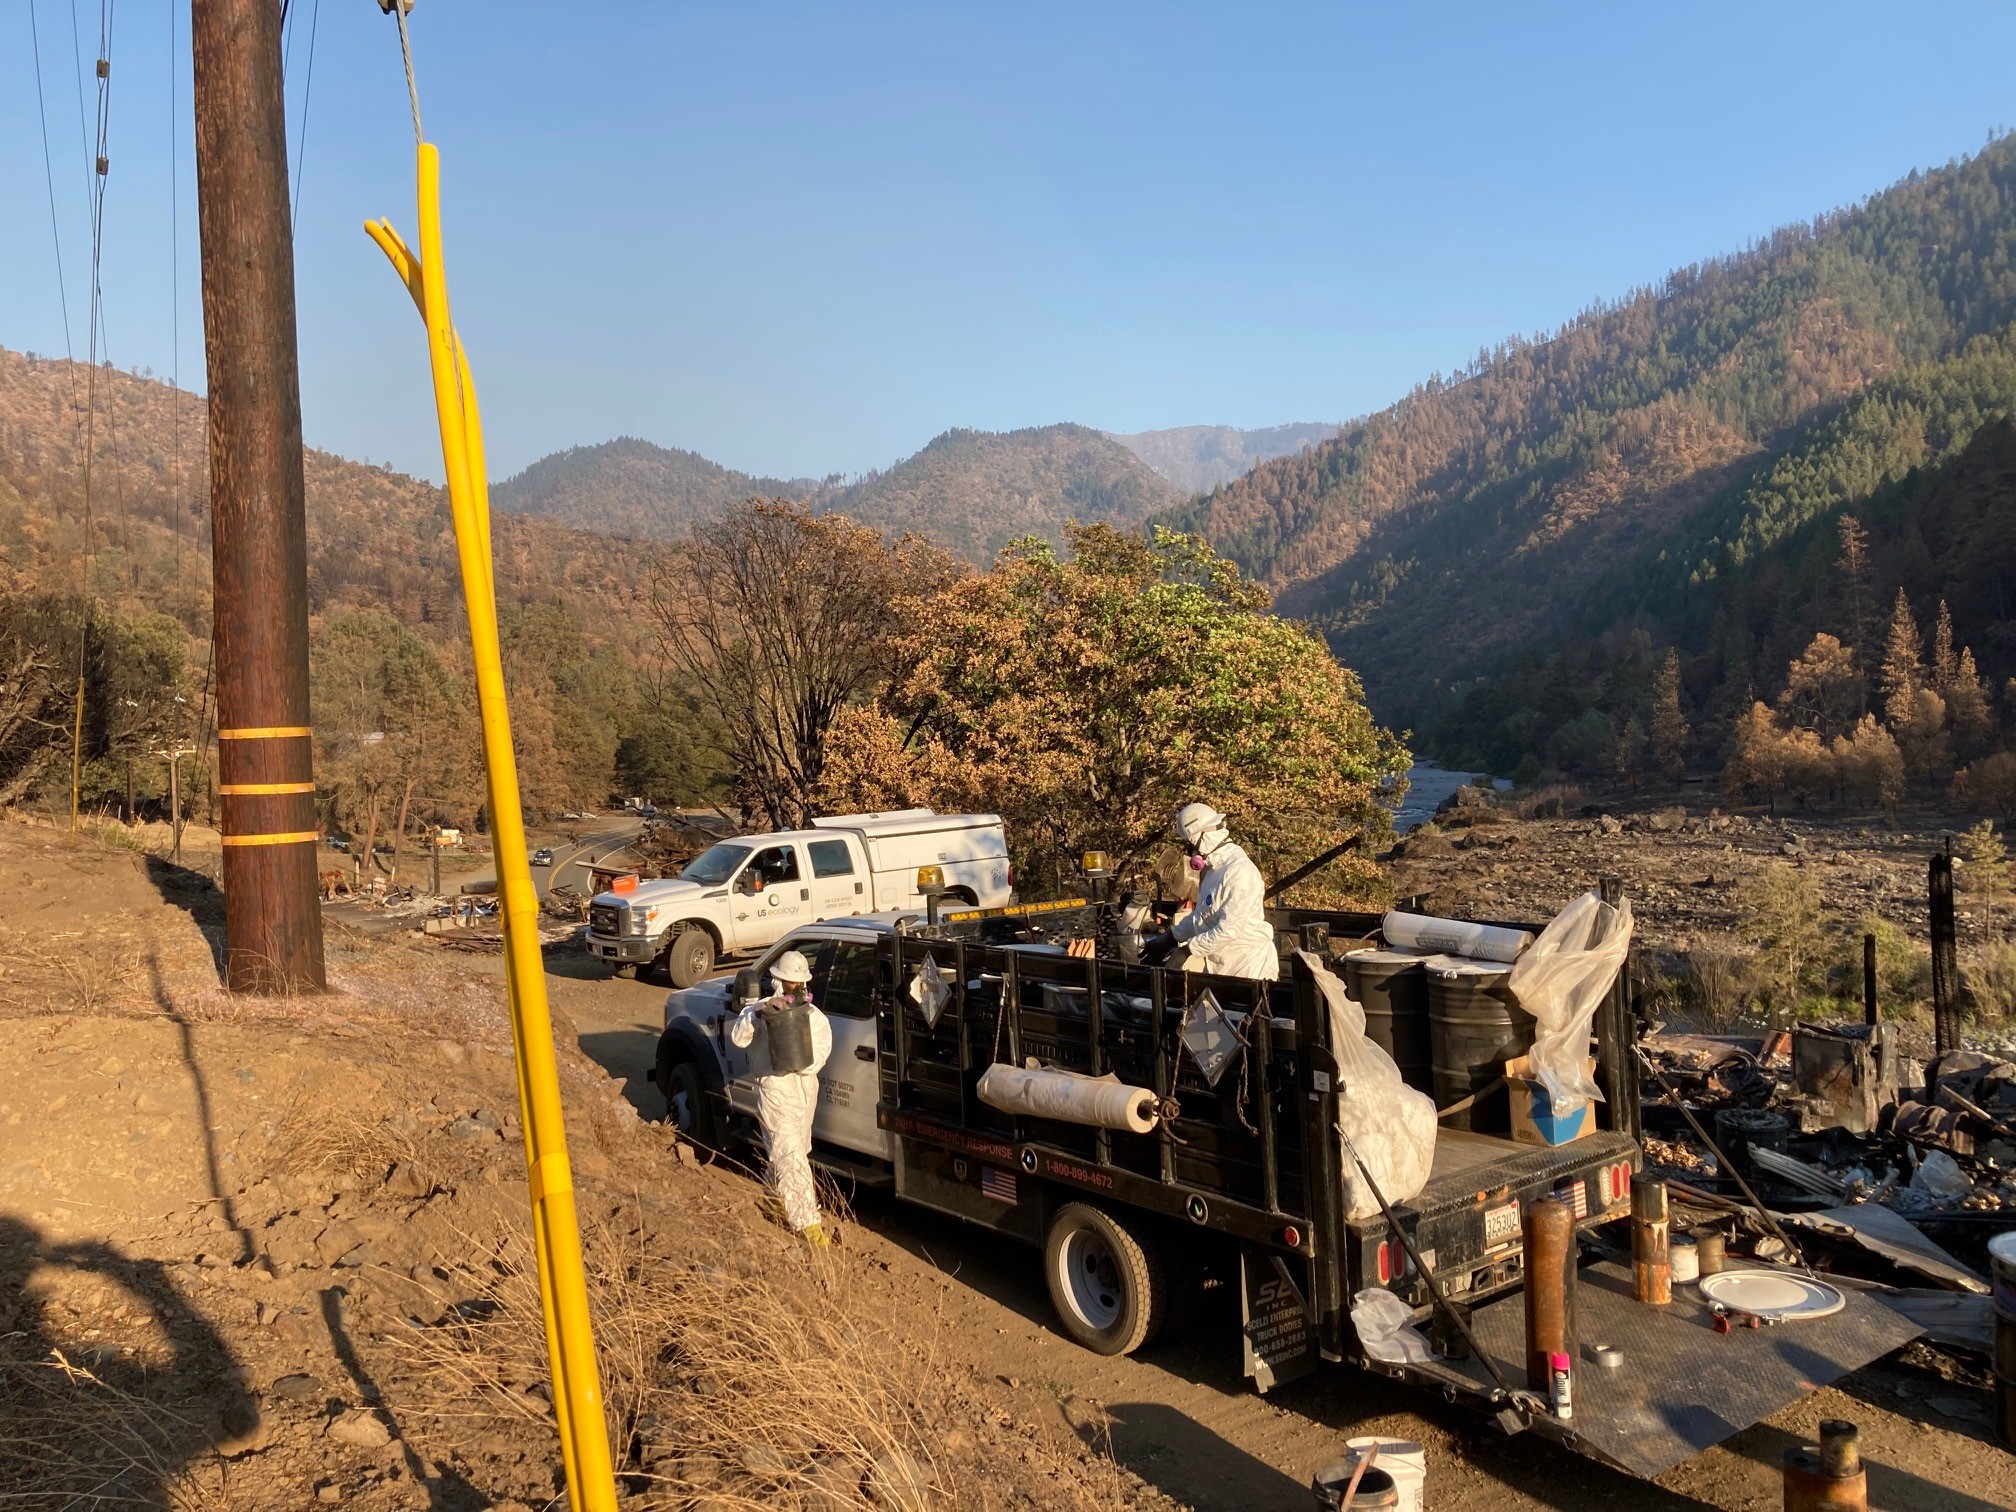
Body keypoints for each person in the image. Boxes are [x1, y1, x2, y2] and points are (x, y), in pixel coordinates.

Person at [727, 948, 834, 1246]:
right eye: (789, 984)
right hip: (774, 1089)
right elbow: (738, 1039)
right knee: (790, 1155)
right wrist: (759, 1016)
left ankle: (775, 1199)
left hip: (803, 1089)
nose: (795, 989)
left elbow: (817, 1058)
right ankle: (807, 1223)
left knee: (794, 1149)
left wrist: (794, 1043)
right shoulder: (759, 1012)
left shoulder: (814, 1018)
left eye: (799, 984)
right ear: (776, 982)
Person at [1145, 802, 1280, 981]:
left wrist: (1187, 950)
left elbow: (1228, 930)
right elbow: (1202, 917)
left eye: (1190, 843)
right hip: (1221, 966)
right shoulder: (1212, 870)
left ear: (1204, 837)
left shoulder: (1239, 872)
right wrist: (1171, 937)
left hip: (1250, 967)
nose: (1190, 850)